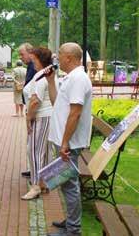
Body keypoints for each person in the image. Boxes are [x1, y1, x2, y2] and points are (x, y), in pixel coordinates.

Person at [45, 43, 92, 236]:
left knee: (69, 186)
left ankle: (73, 230)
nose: (57, 59)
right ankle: (71, 222)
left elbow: (75, 113)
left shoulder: (79, 79)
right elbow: (58, 104)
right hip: (64, 141)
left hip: (69, 144)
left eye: (60, 55)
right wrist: (50, 82)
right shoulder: (70, 78)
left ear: (69, 58)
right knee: (65, 184)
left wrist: (65, 142)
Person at [21, 47, 54, 200]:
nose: (32, 62)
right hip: (46, 116)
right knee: (43, 150)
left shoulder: (42, 75)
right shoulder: (46, 73)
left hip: (41, 116)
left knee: (34, 151)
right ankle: (43, 182)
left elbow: (35, 101)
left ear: (40, 59)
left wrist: (29, 118)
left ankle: (35, 186)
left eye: (34, 59)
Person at [18, 43, 37, 178]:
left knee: (33, 142)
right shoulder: (31, 66)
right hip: (30, 107)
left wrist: (29, 114)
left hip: (34, 110)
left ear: (30, 52)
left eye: (22, 54)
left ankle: (35, 172)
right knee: (31, 142)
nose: (20, 57)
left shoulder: (34, 67)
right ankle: (33, 169)